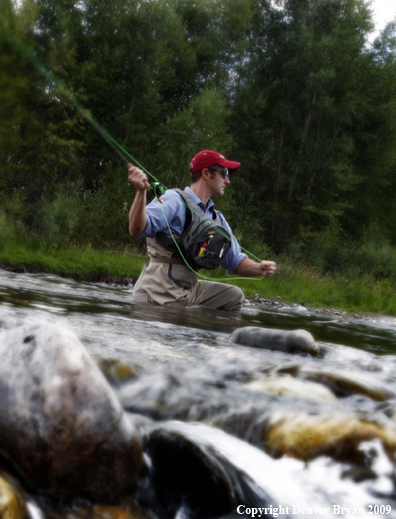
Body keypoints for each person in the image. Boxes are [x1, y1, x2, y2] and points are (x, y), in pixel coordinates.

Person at [128, 150, 277, 311]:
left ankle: (206, 334)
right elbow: (137, 229)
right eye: (224, 173)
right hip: (156, 293)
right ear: (206, 173)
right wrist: (141, 192)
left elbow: (236, 262)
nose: (227, 181)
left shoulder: (217, 219)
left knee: (234, 296)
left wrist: (259, 269)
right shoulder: (174, 200)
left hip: (188, 292)